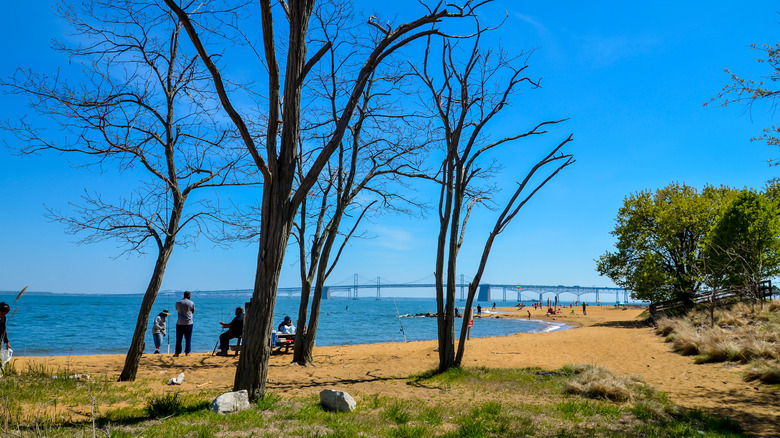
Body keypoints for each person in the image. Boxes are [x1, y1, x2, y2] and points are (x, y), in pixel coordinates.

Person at [174, 291, 195, 357]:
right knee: (188, 338)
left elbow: (177, 309)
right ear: (189, 295)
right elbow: (193, 311)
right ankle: (187, 352)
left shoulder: (178, 302)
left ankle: (177, 352)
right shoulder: (191, 303)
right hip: (189, 323)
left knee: (179, 338)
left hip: (180, 322)